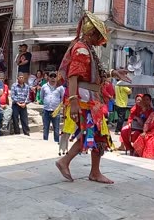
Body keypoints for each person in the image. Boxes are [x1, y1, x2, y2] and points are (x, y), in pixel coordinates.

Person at [54, 11, 130, 184]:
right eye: (99, 36)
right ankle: (67, 162)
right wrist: (73, 102)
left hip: (92, 98)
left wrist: (113, 73)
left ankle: (91, 170)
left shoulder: (87, 48)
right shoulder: (81, 49)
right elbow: (73, 76)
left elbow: (94, 75)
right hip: (85, 98)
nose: (100, 41)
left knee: (97, 134)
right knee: (92, 132)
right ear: (91, 33)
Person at [40, 71, 65, 142]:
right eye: (51, 76)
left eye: (54, 76)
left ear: (57, 78)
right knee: (45, 128)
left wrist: (58, 106)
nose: (53, 78)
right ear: (48, 77)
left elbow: (62, 98)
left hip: (56, 111)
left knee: (56, 128)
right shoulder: (44, 86)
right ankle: (45, 141)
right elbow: (42, 97)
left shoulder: (60, 88)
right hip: (46, 110)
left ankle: (56, 142)